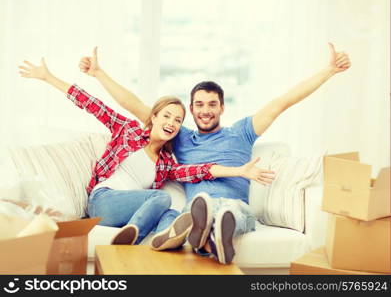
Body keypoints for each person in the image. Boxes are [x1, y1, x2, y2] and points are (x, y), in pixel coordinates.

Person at [78, 43, 351, 264]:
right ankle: (207, 242)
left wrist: (328, 72)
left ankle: (213, 233)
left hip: (234, 207)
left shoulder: (242, 132)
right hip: (191, 209)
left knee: (229, 211)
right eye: (199, 105)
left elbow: (282, 102)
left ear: (222, 108)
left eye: (212, 104)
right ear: (192, 109)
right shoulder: (181, 137)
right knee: (178, 215)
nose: (205, 110)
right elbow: (136, 105)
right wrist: (99, 74)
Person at [18, 58, 274, 246]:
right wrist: (48, 77)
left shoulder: (166, 164)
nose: (172, 123)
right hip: (104, 200)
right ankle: (132, 238)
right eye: (167, 116)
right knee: (161, 199)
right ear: (153, 117)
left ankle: (164, 242)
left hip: (130, 208)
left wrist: (240, 170)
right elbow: (90, 103)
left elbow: (201, 170)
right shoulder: (127, 130)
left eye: (177, 120)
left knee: (174, 213)